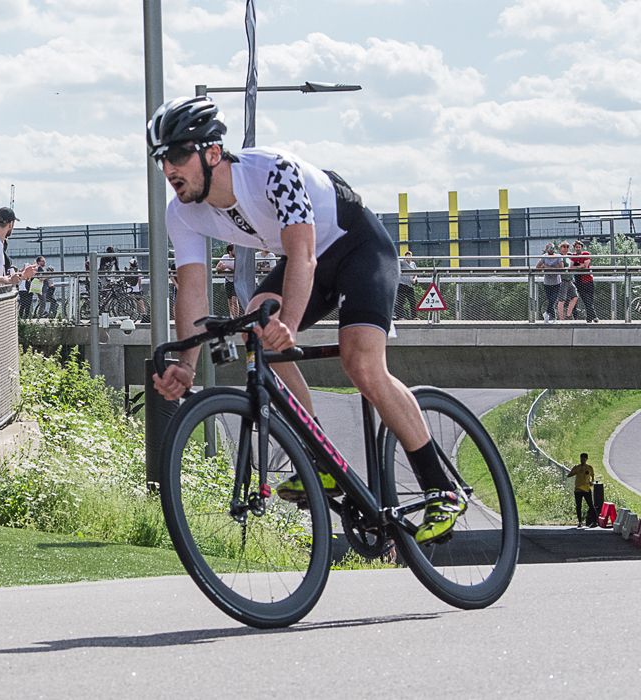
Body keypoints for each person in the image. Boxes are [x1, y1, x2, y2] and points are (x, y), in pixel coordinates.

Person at [148, 95, 463, 545]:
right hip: (307, 262)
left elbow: (303, 255)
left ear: (212, 152)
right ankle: (322, 459)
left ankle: (440, 487)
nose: (169, 170)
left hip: (356, 248)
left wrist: (289, 325)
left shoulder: (274, 172)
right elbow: (193, 288)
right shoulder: (181, 212)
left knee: (361, 363)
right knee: (259, 329)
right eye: (162, 160)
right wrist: (186, 364)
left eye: (178, 156)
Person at [535, 243, 563, 324]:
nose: (551, 249)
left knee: (553, 300)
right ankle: (553, 318)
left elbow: (561, 268)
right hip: (547, 282)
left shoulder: (558, 256)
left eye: (552, 248)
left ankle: (546, 313)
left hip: (556, 281)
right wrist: (553, 267)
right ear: (546, 249)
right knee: (551, 300)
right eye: (549, 248)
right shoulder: (544, 256)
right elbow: (537, 267)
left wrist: (547, 267)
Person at [571, 240, 598, 323]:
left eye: (579, 247)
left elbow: (586, 266)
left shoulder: (585, 254)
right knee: (585, 300)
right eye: (576, 247)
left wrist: (577, 265)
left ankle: (590, 318)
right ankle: (593, 317)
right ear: (574, 248)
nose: (578, 248)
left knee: (589, 300)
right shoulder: (574, 256)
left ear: (581, 247)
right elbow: (571, 267)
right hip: (579, 281)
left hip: (588, 280)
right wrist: (580, 266)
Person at [568, 453, 597, 528]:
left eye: (584, 459)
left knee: (591, 505)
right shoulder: (577, 467)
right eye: (581, 459)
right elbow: (569, 475)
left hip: (586, 489)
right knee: (578, 506)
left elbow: (592, 477)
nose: (582, 460)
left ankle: (595, 521)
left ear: (586, 459)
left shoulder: (589, 467)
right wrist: (573, 470)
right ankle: (580, 522)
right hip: (578, 489)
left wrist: (592, 482)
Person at [556, 240, 579, 320]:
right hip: (562, 280)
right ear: (560, 248)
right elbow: (561, 267)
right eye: (564, 247)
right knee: (562, 299)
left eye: (567, 247)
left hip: (570, 280)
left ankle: (568, 315)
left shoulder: (569, 256)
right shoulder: (559, 256)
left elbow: (576, 264)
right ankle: (561, 318)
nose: (566, 248)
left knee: (575, 296)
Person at [215, 244, 239, 317]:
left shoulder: (238, 258)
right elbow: (217, 268)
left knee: (234, 299)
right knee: (230, 301)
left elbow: (238, 270)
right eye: (234, 250)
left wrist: (228, 266)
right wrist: (221, 268)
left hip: (236, 281)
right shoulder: (225, 257)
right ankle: (232, 316)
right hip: (228, 281)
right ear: (230, 251)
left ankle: (236, 317)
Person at [395, 250, 418, 321]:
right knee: (401, 301)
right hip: (402, 284)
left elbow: (416, 273)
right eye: (407, 256)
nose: (409, 258)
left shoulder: (413, 264)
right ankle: (400, 317)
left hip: (409, 285)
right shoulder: (401, 262)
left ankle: (414, 317)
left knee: (412, 301)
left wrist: (414, 279)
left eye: (410, 256)